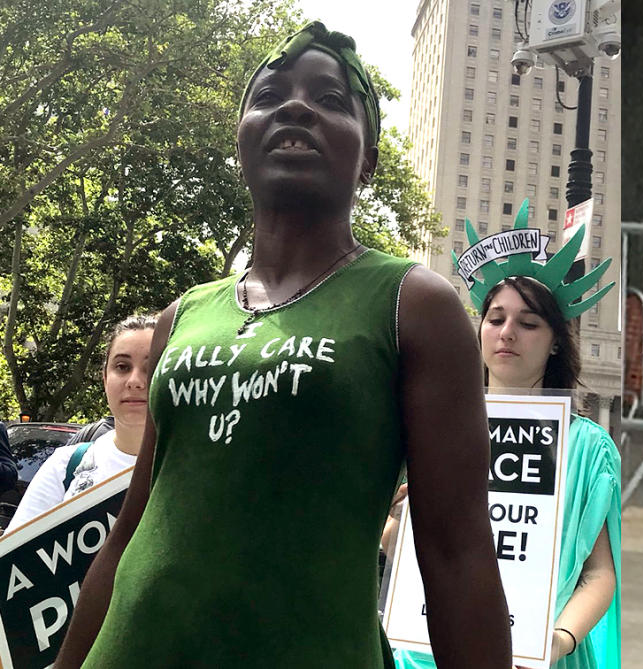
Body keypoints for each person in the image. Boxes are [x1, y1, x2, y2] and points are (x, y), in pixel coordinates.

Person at [55, 22, 511, 669]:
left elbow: (458, 548)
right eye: (269, 96)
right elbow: (133, 525)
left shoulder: (417, 305)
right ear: (240, 143)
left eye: (330, 99)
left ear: (370, 155)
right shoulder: (182, 315)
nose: (295, 106)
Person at [390, 204, 621, 669]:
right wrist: (396, 524)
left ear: (556, 340)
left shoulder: (588, 449)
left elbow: (599, 575)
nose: (508, 333)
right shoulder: (431, 429)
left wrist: (557, 640)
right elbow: (402, 551)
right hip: (424, 653)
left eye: (529, 323)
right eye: (495, 319)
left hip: (538, 657)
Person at [8, 315, 155, 530]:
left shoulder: (197, 469)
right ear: (105, 379)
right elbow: (17, 560)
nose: (134, 381)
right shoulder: (65, 466)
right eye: (122, 367)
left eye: (150, 369)